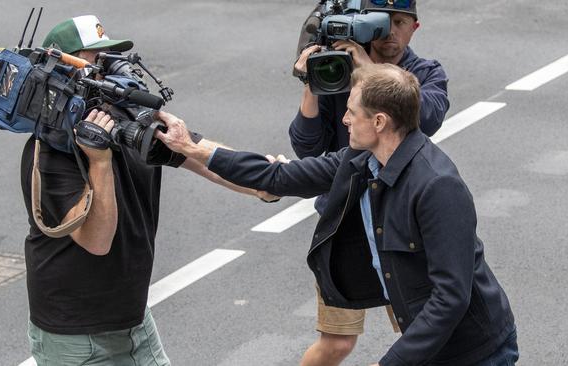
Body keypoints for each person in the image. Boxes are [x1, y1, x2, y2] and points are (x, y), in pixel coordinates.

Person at [155, 63, 518, 366]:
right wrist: (192, 148)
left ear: (379, 122)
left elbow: (451, 297)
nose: (343, 120)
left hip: (475, 352)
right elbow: (278, 176)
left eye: (351, 111)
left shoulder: (436, 186)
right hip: (428, 348)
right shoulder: (360, 160)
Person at [23, 15, 272, 366]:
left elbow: (195, 153)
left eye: (109, 60)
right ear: (62, 70)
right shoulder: (50, 150)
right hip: (76, 334)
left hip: (133, 321)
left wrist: (263, 181)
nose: (106, 73)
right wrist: (99, 162)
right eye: (94, 62)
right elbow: (97, 240)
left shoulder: (126, 118)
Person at [290, 1, 450, 363]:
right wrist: (312, 83)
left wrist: (372, 73)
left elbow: (427, 118)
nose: (391, 32)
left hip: (402, 225)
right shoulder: (339, 70)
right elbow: (307, 147)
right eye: (382, 23)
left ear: (415, 27)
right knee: (337, 343)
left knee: (425, 330)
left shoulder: (425, 73)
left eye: (399, 22)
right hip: (347, 222)